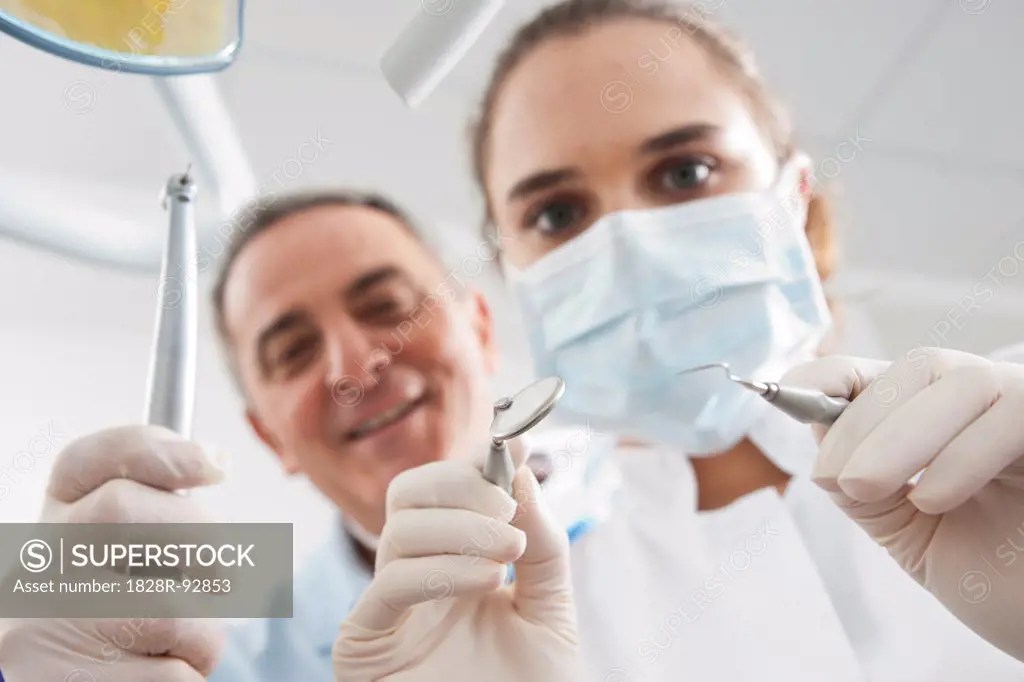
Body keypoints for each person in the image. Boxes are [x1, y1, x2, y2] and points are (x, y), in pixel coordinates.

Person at [469, 0, 1024, 677]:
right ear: (510, 272)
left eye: (685, 172)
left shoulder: (1009, 445)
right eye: (556, 214)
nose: (633, 250)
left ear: (794, 195)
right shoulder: (529, 606)